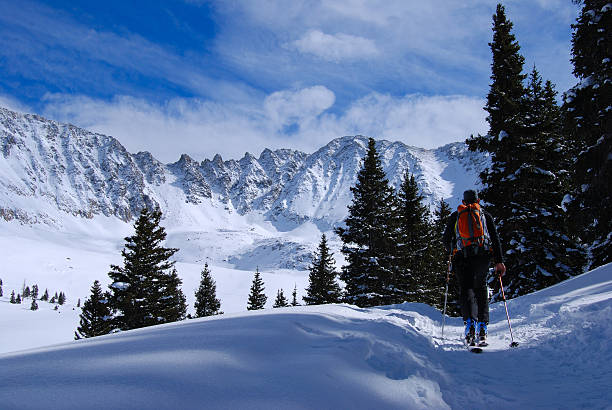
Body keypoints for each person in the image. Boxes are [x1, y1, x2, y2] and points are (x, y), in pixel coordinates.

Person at [443, 189, 506, 345]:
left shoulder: (456, 215)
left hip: (462, 258)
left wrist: (452, 252)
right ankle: (482, 326)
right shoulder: (485, 215)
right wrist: (499, 261)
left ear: (463, 201)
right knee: (480, 289)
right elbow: (495, 239)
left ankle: (469, 324)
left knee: (466, 290)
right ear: (478, 200)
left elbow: (446, 239)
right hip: (482, 257)